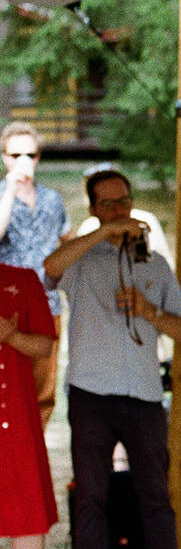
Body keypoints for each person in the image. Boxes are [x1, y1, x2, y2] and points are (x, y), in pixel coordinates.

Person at [43, 169, 181, 549]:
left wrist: (148, 310)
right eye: (107, 205)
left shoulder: (155, 264)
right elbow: (50, 268)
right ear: (93, 210)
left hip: (142, 394)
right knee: (92, 498)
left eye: (123, 202)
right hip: (91, 392)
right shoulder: (82, 259)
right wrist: (102, 234)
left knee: (156, 496)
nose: (119, 211)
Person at [0, 261, 62, 549]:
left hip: (18, 409)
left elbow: (44, 346)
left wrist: (10, 336)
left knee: (27, 500)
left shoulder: (23, 279)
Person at [0, 122, 73, 426]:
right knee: (8, 392)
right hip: (7, 308)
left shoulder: (52, 199)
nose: (23, 160)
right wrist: (11, 186)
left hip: (47, 304)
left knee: (44, 394)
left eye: (30, 154)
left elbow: (68, 241)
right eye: (15, 154)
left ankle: (33, 458)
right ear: (4, 157)